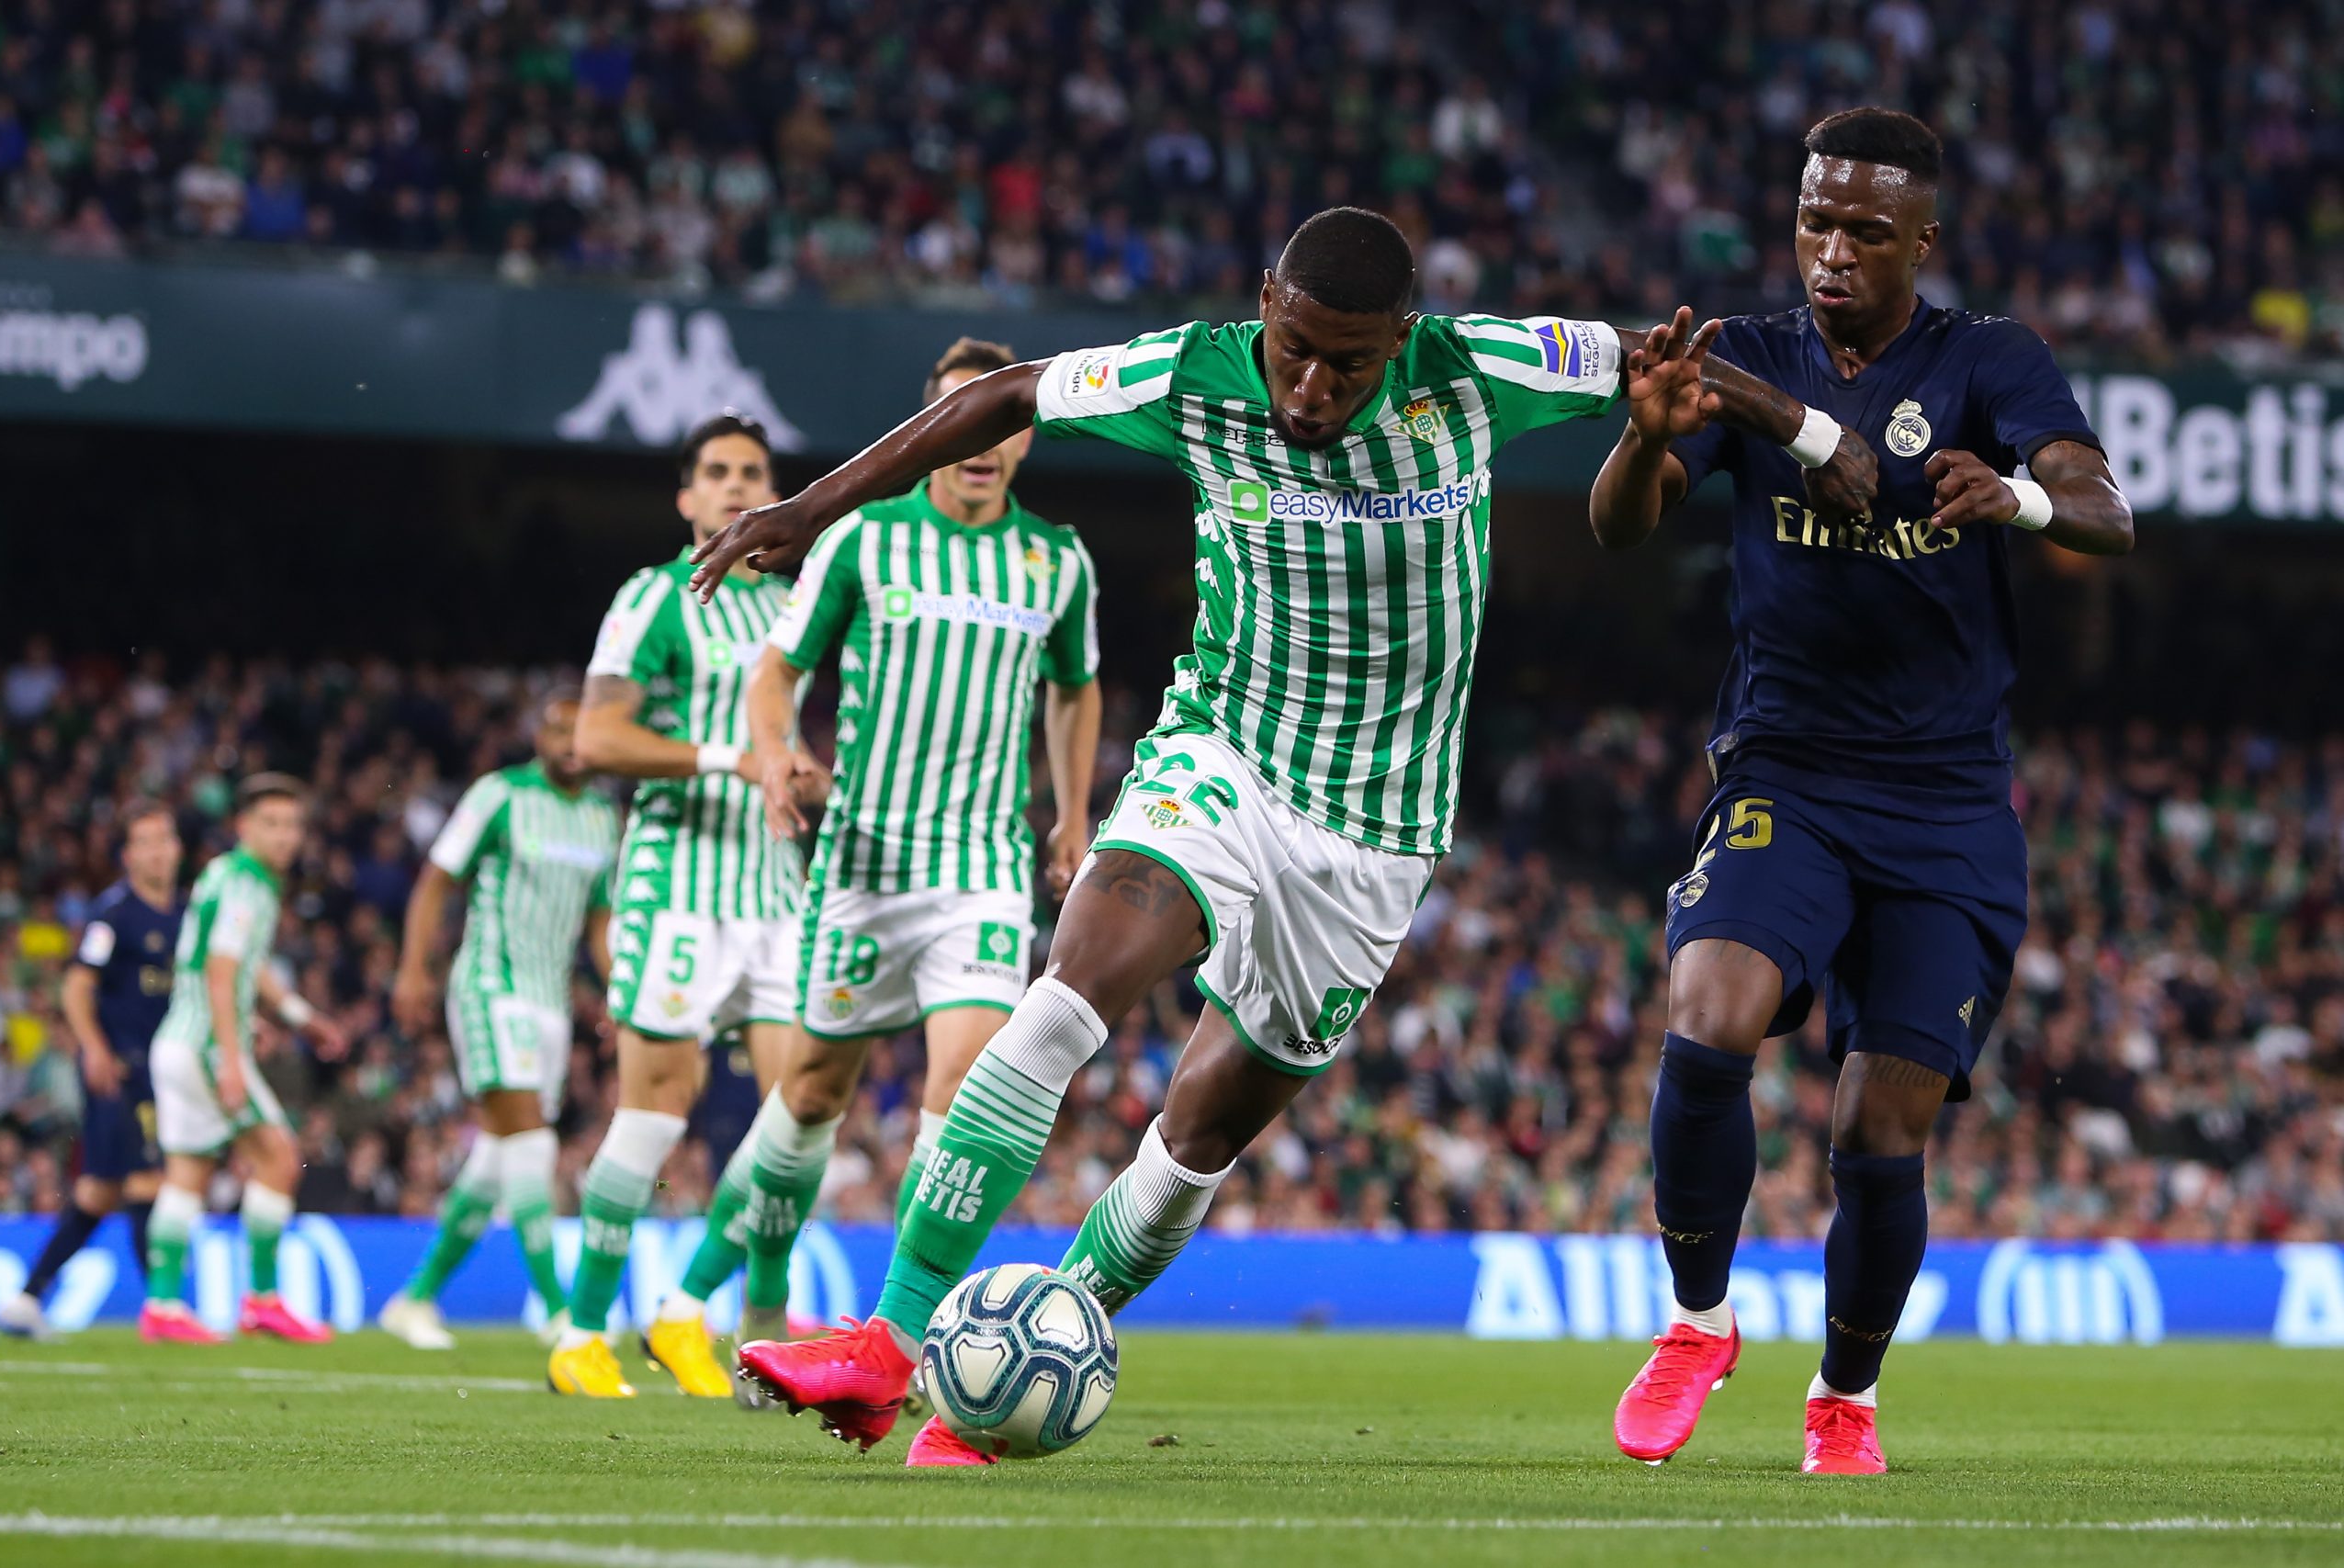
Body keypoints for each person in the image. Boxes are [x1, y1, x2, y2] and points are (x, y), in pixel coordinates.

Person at [696, 205, 1870, 1464]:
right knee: (1069, 989)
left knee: (1200, 1132)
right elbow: (1010, 392)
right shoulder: (1191, 375)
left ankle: (1013, 1378)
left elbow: (1667, 358)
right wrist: (812, 505)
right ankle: (889, 1341)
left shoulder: (1479, 370)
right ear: (1265, 302)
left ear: (1400, 340)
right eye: (1294, 348)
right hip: (1225, 753)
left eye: (1348, 364)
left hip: (1378, 832)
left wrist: (1819, 436)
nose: (1311, 387)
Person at [1588, 108, 2133, 1475]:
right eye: (1815, 222)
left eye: (1865, 231)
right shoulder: (1747, 355)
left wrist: (2016, 497)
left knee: (1878, 1129)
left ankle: (1844, 1394)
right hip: (1788, 767)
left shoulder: (1991, 359)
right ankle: (1698, 1321)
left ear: (1922, 241)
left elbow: (2107, 513)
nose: (1832, 250)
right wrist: (1641, 440)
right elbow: (1619, 524)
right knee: (1706, 1019)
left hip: (1947, 805)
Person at [724, 336, 1101, 1385]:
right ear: (927, 432)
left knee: (960, 1096)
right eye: (958, 418)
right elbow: (776, 671)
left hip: (981, 866)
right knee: (809, 1096)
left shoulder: (1057, 562)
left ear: (1023, 437)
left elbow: (1076, 689)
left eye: (1001, 420)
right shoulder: (862, 539)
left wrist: (1072, 814)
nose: (980, 441)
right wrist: (775, 753)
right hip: (862, 863)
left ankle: (901, 1336)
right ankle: (764, 1293)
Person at [551, 412, 823, 1398]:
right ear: (686, 496)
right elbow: (597, 739)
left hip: (776, 886)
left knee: (803, 1116)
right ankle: (581, 1333)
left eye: (752, 471)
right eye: (715, 471)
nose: (735, 484)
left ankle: (687, 1310)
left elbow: (785, 740)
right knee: (656, 1110)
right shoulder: (652, 597)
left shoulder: (795, 604)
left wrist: (805, 773)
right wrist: (731, 758)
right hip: (677, 886)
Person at [379, 690, 619, 1350]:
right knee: (532, 1142)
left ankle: (415, 1298)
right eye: (557, 730)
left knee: (499, 1153)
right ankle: (559, 1310)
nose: (569, 743)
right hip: (490, 983)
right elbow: (436, 880)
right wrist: (412, 968)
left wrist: (618, 990)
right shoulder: (499, 794)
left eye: (580, 731)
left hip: (550, 1002)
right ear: (540, 736)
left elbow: (600, 921)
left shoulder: (603, 817)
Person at [142, 774, 348, 1344]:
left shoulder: (225, 875)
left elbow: (246, 968)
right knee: (279, 1158)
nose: (285, 836)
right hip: (208, 1047)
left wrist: (302, 1017)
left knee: (188, 1173)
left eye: (292, 825)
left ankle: (162, 1306)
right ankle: (261, 1300)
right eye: (271, 824)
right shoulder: (246, 884)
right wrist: (232, 1059)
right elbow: (223, 969)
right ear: (244, 827)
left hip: (177, 1042)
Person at [0, 803, 182, 1340]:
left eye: (164, 839)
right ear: (127, 855)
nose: (157, 851)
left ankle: (27, 1299)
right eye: (144, 842)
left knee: (98, 1193)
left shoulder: (185, 913)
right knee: (148, 1179)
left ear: (176, 848)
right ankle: (163, 1307)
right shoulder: (113, 914)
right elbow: (76, 986)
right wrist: (95, 1048)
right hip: (116, 1070)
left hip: (159, 1071)